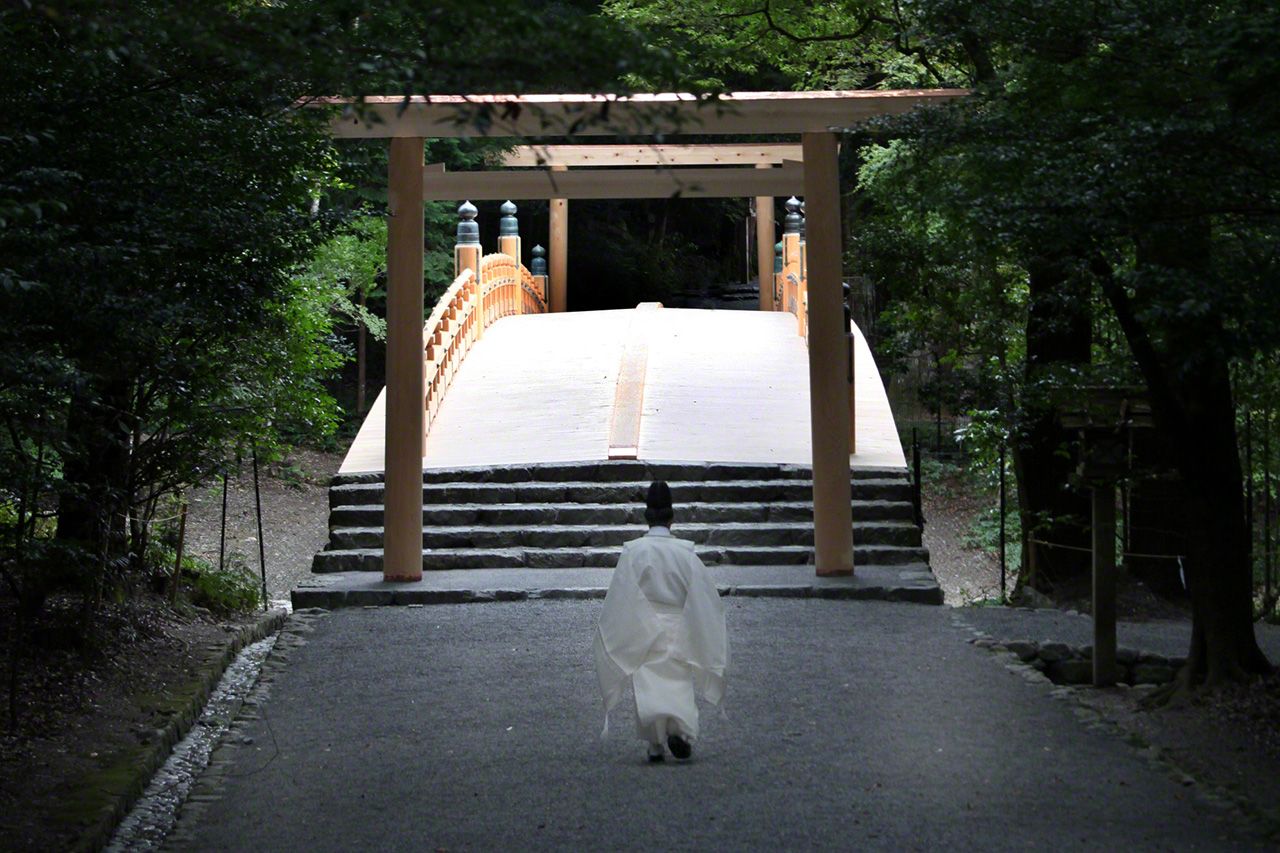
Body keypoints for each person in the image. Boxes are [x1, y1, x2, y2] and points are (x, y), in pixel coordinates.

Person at [593, 480, 729, 763]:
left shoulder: (634, 551)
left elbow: (621, 593)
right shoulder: (685, 553)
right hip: (678, 623)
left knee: (648, 683)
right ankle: (681, 731)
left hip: (644, 624)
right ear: (671, 517)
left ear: (646, 516)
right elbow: (703, 596)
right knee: (678, 681)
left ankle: (655, 743)